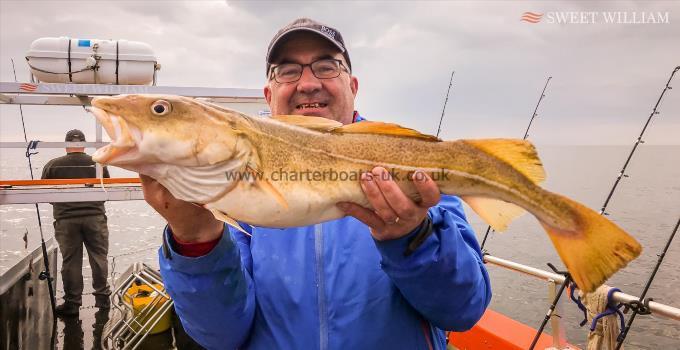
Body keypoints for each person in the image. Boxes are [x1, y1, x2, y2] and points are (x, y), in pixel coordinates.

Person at [143, 18, 491, 349]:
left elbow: (463, 310)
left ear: (353, 87)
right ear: (269, 95)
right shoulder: (234, 181)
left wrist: (415, 238)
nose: (308, 83)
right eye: (288, 71)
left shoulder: (408, 162)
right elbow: (220, 336)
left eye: (326, 66)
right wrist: (196, 240)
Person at [42, 129, 112, 317]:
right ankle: (103, 300)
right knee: (99, 258)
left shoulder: (53, 165)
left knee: (70, 261)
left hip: (66, 220)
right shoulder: (97, 163)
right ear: (84, 143)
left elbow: (45, 192)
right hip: (95, 218)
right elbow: (106, 188)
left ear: (66, 144)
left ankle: (72, 304)